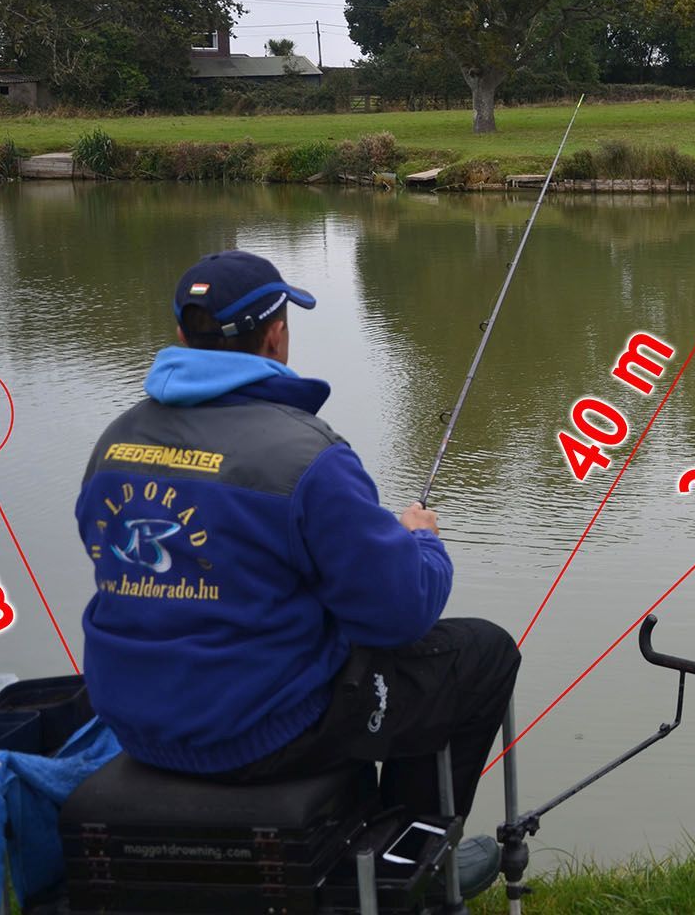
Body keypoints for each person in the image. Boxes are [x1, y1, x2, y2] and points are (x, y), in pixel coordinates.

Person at [76, 249, 519, 894]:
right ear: (276, 335)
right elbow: (400, 612)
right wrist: (419, 543)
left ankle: (375, 844)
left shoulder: (112, 444)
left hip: (133, 719)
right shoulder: (307, 454)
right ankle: (409, 871)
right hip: (260, 735)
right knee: (479, 654)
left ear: (181, 335)